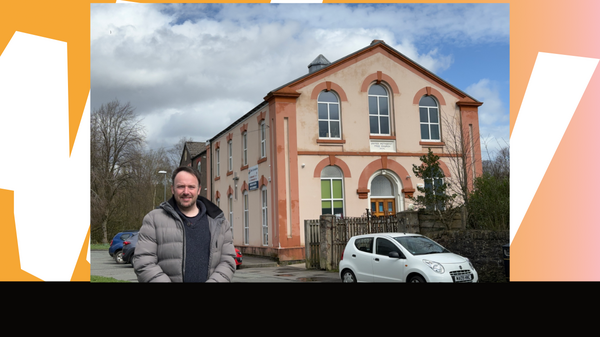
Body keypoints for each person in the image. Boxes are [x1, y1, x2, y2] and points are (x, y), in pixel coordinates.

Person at [133, 166, 236, 282]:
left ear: (199, 189)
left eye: (191, 187)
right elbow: (143, 262)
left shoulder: (219, 221)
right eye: (181, 186)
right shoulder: (153, 219)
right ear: (172, 189)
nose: (186, 192)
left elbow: (227, 261)